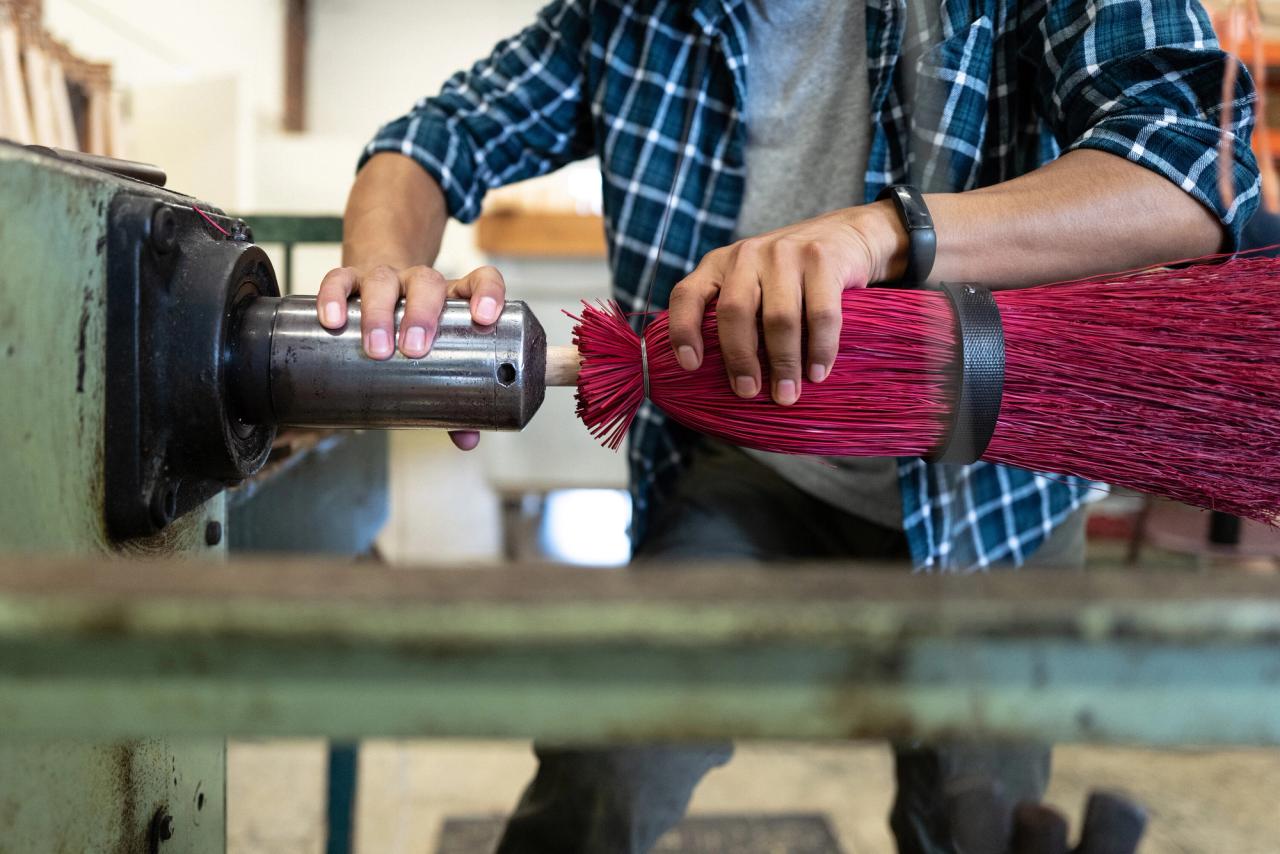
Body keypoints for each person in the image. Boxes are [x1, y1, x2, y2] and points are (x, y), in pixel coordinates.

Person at [318, 2, 1260, 851]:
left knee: (971, 823)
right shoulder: (628, 18)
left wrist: (886, 232)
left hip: (995, 505)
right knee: (604, 769)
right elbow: (433, 139)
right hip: (759, 474)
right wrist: (387, 273)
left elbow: (1191, 163)